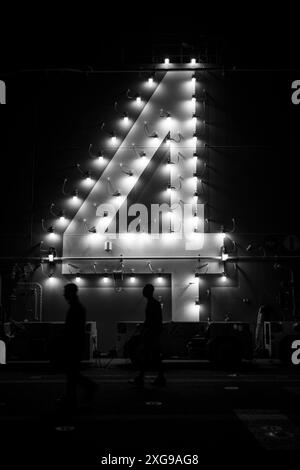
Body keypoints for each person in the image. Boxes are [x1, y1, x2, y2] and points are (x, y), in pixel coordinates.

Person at [62, 283, 96, 411]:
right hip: (76, 345)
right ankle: (71, 398)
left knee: (72, 374)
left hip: (73, 345)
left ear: (71, 293)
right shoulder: (78, 307)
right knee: (72, 374)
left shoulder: (75, 308)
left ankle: (75, 396)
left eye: (65, 292)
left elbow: (72, 329)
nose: (63, 294)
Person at [130, 284, 166, 387]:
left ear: (148, 292)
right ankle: (156, 377)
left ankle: (143, 377)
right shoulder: (154, 303)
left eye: (144, 290)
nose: (143, 292)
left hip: (151, 334)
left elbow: (151, 320)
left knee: (149, 355)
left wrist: (144, 330)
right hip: (153, 333)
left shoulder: (152, 304)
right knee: (152, 356)